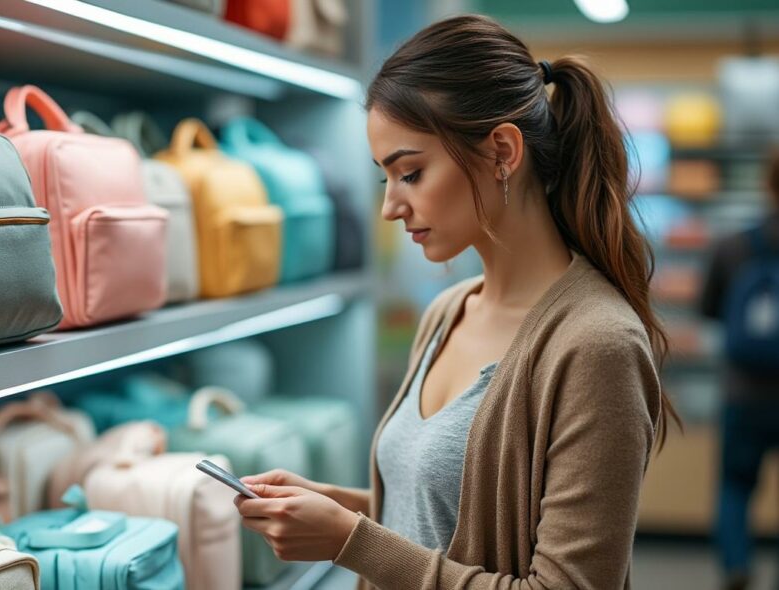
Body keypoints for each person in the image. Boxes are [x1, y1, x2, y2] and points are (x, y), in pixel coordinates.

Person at [234, 14, 678, 589]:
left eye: (411, 173)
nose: (391, 207)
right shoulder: (449, 310)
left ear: (502, 151)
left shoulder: (597, 345)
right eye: (384, 180)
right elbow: (452, 517)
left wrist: (349, 540)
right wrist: (338, 507)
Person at [700, 152, 779, 590]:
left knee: (734, 485)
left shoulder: (735, 245)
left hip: (743, 391)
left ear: (767, 184)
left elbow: (708, 309)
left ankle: (737, 566)